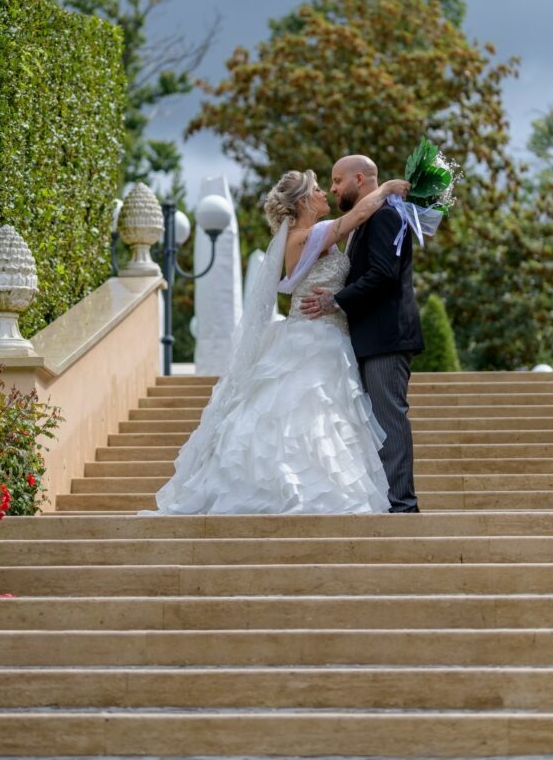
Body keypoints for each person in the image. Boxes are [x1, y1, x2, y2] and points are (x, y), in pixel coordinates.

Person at [142, 168, 410, 516]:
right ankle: (296, 490)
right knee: (309, 414)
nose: (325, 193)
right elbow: (357, 216)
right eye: (317, 189)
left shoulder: (308, 235)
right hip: (314, 338)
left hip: (328, 337)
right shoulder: (304, 236)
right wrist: (388, 187)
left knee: (320, 416)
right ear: (302, 202)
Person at [301, 155, 424, 513]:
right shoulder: (371, 217)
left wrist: (336, 300)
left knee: (388, 418)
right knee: (376, 422)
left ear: (359, 178)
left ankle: (402, 505)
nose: (334, 188)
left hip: (386, 337)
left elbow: (384, 274)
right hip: (370, 338)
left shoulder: (385, 216)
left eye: (337, 181)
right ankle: (386, 500)